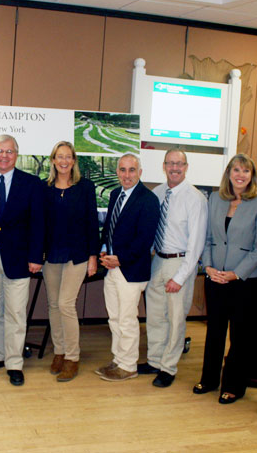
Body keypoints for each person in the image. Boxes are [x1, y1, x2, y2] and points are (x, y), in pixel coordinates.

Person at [194, 154, 257, 403]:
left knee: (240, 336)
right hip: (215, 278)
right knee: (214, 332)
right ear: (228, 173)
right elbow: (206, 239)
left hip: (244, 282)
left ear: (252, 176)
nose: (240, 175)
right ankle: (209, 379)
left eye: (245, 171)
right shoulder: (215, 199)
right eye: (236, 170)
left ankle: (234, 386)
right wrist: (208, 267)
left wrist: (236, 273)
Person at [0, 134, 44, 386]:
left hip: (20, 260)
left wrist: (36, 256)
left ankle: (14, 362)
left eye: (9, 151)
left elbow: (38, 223)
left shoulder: (31, 184)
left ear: (17, 155)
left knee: (15, 313)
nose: (4, 156)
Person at [139, 149, 207, 388]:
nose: (174, 168)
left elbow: (196, 243)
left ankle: (168, 368)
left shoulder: (195, 198)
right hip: (158, 260)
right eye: (170, 163)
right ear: (164, 165)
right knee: (156, 316)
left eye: (179, 164)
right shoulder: (157, 193)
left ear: (186, 167)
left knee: (176, 318)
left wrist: (180, 276)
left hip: (180, 262)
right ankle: (155, 361)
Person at [96, 154, 159, 382]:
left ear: (140, 172)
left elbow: (145, 239)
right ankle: (118, 360)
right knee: (114, 319)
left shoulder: (148, 200)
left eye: (132, 170)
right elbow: (109, 230)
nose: (127, 175)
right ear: (117, 172)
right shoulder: (115, 194)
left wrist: (120, 258)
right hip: (111, 267)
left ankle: (129, 365)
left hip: (131, 270)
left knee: (126, 320)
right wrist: (103, 249)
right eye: (122, 170)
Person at [42, 141, 99, 382]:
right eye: (59, 156)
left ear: (74, 161)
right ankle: (59, 351)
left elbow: (91, 224)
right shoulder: (44, 188)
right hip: (51, 254)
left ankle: (72, 357)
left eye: (68, 157)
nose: (64, 161)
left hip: (77, 254)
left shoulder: (85, 187)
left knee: (66, 304)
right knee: (54, 305)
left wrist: (93, 257)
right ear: (53, 160)